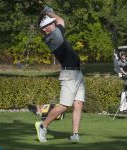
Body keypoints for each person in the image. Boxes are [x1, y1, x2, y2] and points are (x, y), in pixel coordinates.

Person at [35, 6, 85, 143]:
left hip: (77, 72)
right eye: (51, 24)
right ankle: (42, 126)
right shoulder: (53, 37)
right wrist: (49, 12)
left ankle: (75, 135)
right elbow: (61, 20)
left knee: (79, 103)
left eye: (52, 22)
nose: (54, 24)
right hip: (69, 74)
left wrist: (47, 13)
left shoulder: (55, 34)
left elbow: (59, 22)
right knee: (64, 106)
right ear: (45, 29)